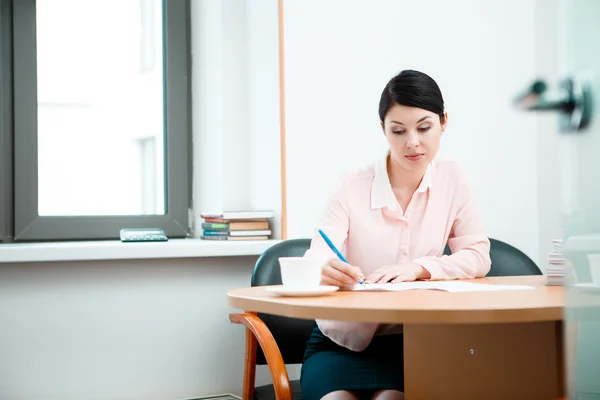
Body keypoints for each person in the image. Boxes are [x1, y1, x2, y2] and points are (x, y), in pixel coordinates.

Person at [299, 69, 492, 400]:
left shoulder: (453, 178)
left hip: (414, 344)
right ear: (383, 130)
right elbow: (317, 255)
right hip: (340, 343)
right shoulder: (351, 185)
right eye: (398, 131)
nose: (412, 143)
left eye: (424, 127)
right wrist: (322, 269)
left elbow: (478, 255)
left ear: (444, 121)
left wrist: (420, 268)